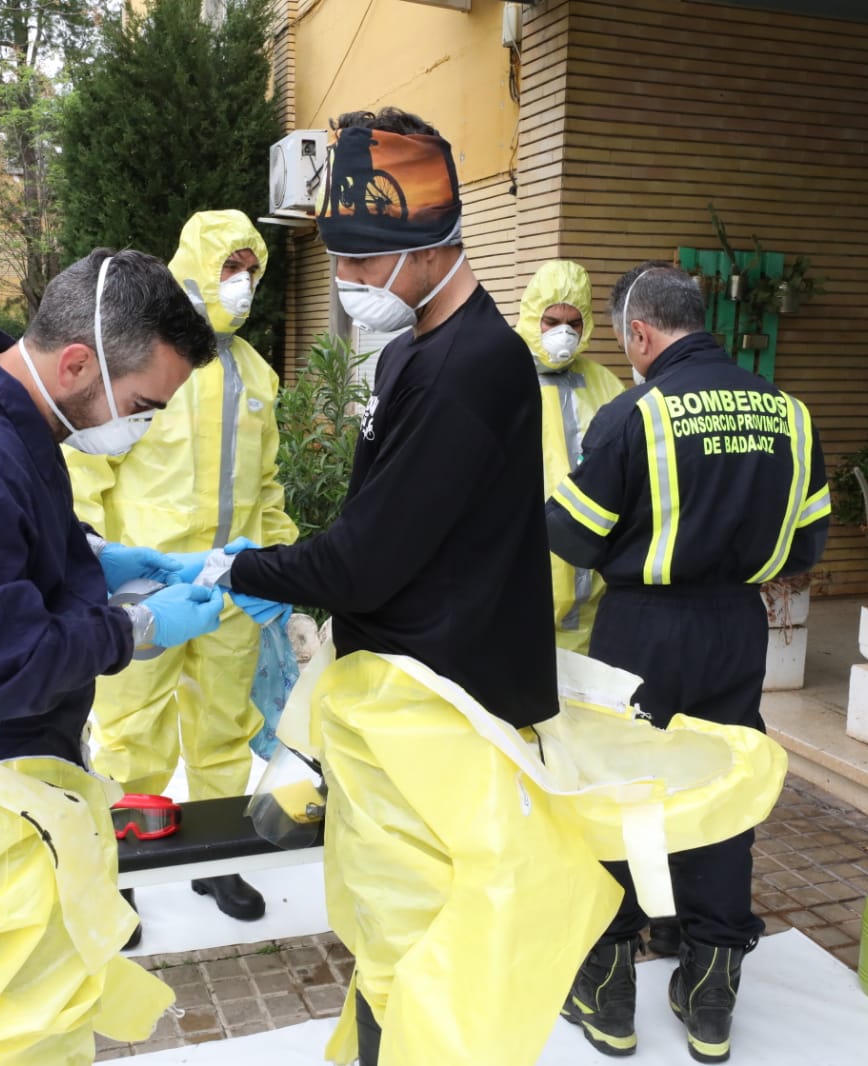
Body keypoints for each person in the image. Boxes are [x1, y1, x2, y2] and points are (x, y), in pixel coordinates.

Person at [223, 108, 557, 1065]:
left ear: (429, 248)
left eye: (365, 263)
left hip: (444, 709)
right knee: (385, 936)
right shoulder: (420, 348)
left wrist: (242, 568)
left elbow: (368, 558)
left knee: (418, 947)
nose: (349, 281)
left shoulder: (474, 367)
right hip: (401, 700)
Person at [547, 262, 830, 1063]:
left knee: (621, 793)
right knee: (721, 789)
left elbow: (571, 534)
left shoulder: (634, 414)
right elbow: (806, 543)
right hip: (739, 626)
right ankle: (710, 998)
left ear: (639, 334)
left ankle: (609, 999)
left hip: (642, 630)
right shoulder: (790, 413)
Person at [0, 249, 227, 774]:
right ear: (77, 364)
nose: (144, 427)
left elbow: (9, 535)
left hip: (17, 738)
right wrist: (136, 626)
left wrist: (92, 554)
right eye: (139, 407)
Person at [68, 209, 298, 923]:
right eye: (230, 268)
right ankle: (121, 867)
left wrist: (281, 570)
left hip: (229, 590)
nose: (242, 284)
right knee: (131, 729)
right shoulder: (147, 361)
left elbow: (267, 486)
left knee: (224, 727)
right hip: (144, 586)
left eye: (251, 271)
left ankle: (220, 858)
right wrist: (90, 571)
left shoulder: (256, 373)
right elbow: (87, 473)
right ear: (195, 266)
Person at [518, 259, 624, 654]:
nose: (563, 332)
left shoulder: (606, 383)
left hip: (588, 573)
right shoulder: (501, 373)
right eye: (551, 321)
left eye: (573, 322)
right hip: (520, 560)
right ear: (532, 317)